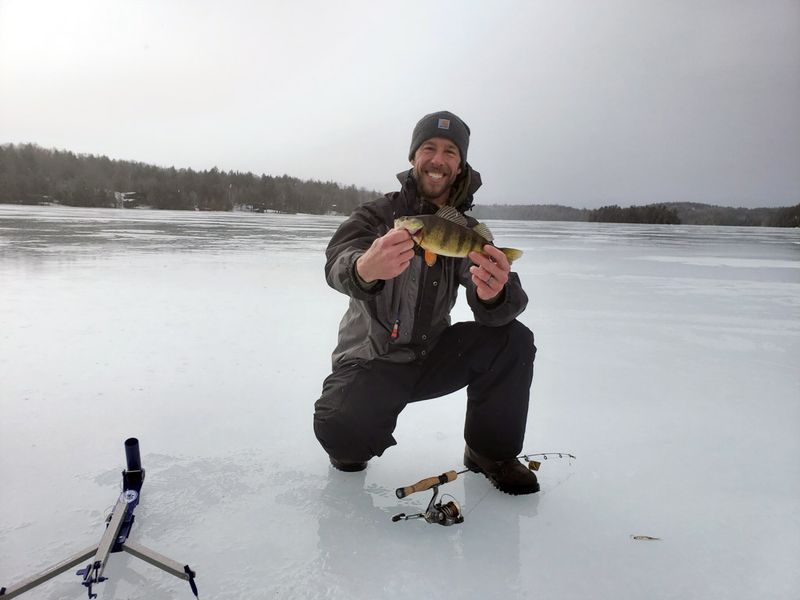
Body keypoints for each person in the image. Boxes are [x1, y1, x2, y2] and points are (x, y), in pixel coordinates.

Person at [313, 110, 538, 495]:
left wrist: (495, 294)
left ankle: (489, 452)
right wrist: (366, 267)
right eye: (429, 148)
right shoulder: (378, 216)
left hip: (432, 355)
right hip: (374, 359)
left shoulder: (464, 230)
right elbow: (338, 262)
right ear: (413, 157)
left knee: (512, 339)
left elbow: (503, 299)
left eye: (450, 151)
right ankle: (354, 435)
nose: (438, 159)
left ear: (460, 163)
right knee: (340, 431)